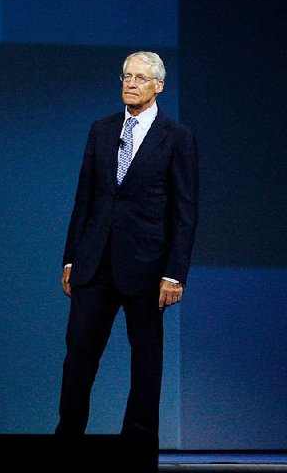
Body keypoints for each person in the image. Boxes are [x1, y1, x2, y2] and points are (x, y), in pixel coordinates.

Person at [56, 51, 199, 440]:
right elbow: (83, 199)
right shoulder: (102, 129)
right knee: (79, 359)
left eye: (139, 77)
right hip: (94, 263)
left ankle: (136, 446)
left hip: (148, 268)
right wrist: (71, 258)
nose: (130, 83)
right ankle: (67, 438)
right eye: (126, 76)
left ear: (159, 86)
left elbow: (185, 211)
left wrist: (174, 273)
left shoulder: (177, 137)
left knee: (146, 362)